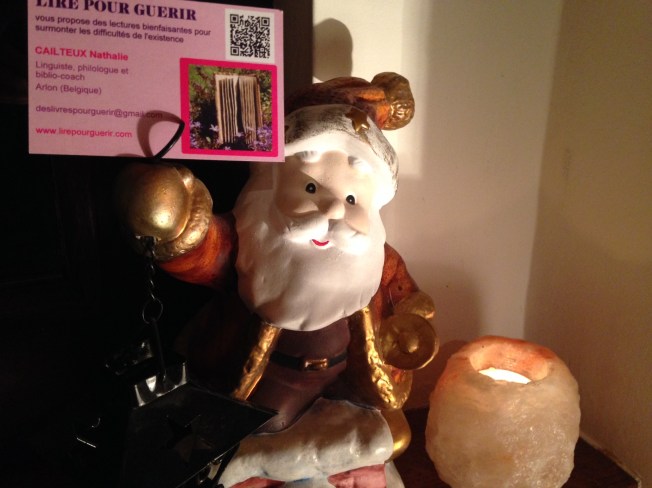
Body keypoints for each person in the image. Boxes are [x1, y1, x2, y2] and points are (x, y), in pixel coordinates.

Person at [115, 73, 437, 487]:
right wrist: (174, 220)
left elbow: (404, 295)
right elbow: (200, 251)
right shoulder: (250, 241)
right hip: (271, 380)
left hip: (344, 378)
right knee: (262, 433)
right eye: (311, 187)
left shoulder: (378, 258)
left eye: (351, 198)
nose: (333, 211)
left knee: (387, 432)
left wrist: (410, 320)